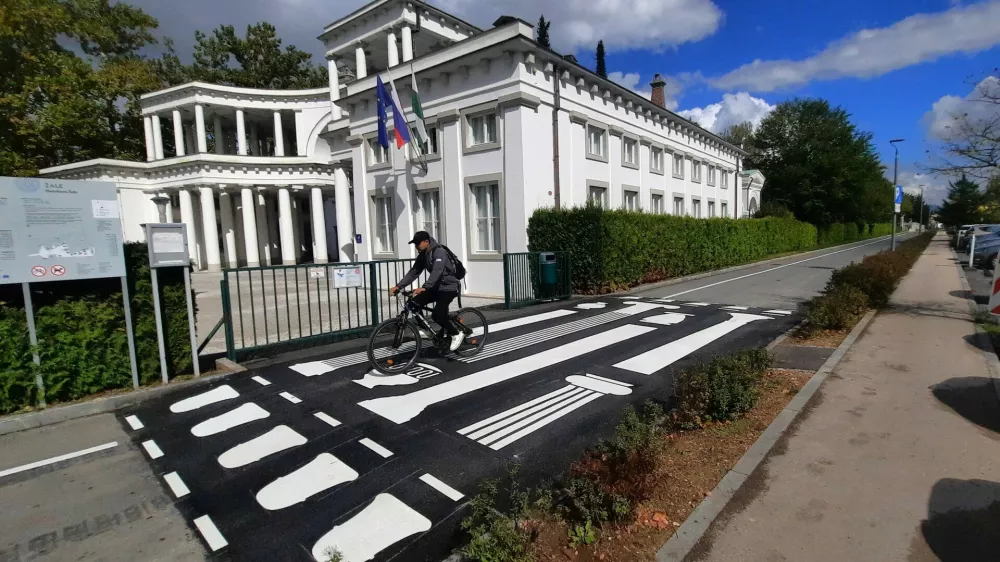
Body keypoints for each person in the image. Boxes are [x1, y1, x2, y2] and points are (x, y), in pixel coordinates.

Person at [391, 231, 463, 351]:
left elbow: (437, 271)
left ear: (426, 242)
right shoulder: (423, 255)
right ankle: (427, 330)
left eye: (418, 244)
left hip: (449, 287)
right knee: (414, 304)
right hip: (436, 287)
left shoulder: (439, 252)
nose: (416, 247)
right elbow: (414, 272)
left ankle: (456, 334)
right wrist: (398, 286)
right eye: (415, 244)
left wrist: (425, 287)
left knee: (437, 314)